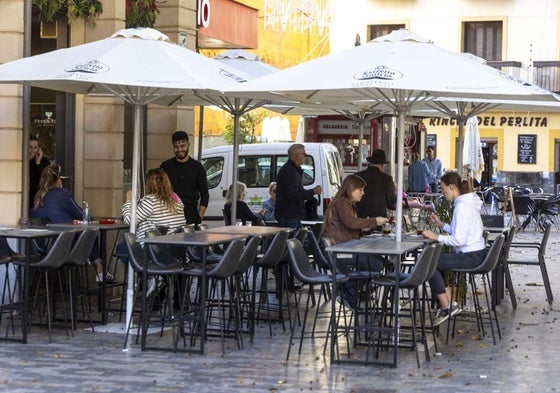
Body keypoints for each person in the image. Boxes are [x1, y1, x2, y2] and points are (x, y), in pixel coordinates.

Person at [421, 172, 487, 326]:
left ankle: (446, 306)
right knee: (436, 261)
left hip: (471, 256)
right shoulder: (465, 203)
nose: (441, 191)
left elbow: (459, 239)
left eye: (442, 188)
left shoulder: (462, 206)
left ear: (451, 187)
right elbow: (461, 232)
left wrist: (436, 236)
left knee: (430, 262)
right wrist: (442, 225)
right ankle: (450, 304)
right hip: (475, 253)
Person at [32, 164, 111, 282]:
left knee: (87, 230)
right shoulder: (62, 193)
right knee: (91, 231)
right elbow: (84, 216)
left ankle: (99, 271)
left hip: (43, 247)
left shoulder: (38, 197)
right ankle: (100, 270)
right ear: (58, 180)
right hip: (63, 244)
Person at [322, 174, 389, 310]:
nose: (363, 193)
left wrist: (363, 227)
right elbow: (351, 222)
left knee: (378, 261)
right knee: (375, 263)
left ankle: (348, 291)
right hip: (339, 251)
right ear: (351, 189)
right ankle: (348, 291)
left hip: (342, 249)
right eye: (361, 190)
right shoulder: (342, 202)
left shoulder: (345, 203)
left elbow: (348, 225)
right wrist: (374, 221)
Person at [122, 168, 186, 241]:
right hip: (174, 244)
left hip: (152, 246)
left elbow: (129, 220)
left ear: (148, 184)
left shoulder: (150, 201)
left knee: (121, 247)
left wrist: (128, 200)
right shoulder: (175, 198)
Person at [160, 131, 209, 227]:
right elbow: (159, 191)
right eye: (176, 147)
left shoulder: (197, 167)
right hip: (169, 217)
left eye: (183, 146)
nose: (179, 149)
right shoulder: (165, 166)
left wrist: (200, 216)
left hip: (191, 216)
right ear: (172, 146)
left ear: (189, 144)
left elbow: (205, 195)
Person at [275, 143, 322, 229]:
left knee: (299, 239)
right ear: (297, 156)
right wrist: (313, 191)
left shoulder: (292, 170)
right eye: (304, 154)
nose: (305, 156)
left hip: (291, 215)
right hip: (289, 216)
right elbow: (292, 194)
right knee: (292, 240)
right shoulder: (290, 171)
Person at [355, 149, 397, 222]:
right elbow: (391, 202)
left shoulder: (358, 176)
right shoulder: (387, 179)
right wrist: (395, 190)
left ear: (370, 163)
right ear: (382, 165)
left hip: (360, 220)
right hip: (379, 221)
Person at [28, 135, 50, 209]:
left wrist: (38, 163)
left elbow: (46, 181)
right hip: (26, 199)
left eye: (35, 148)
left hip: (39, 200)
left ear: (39, 149)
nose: (33, 151)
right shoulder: (20, 161)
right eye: (30, 147)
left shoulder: (44, 161)